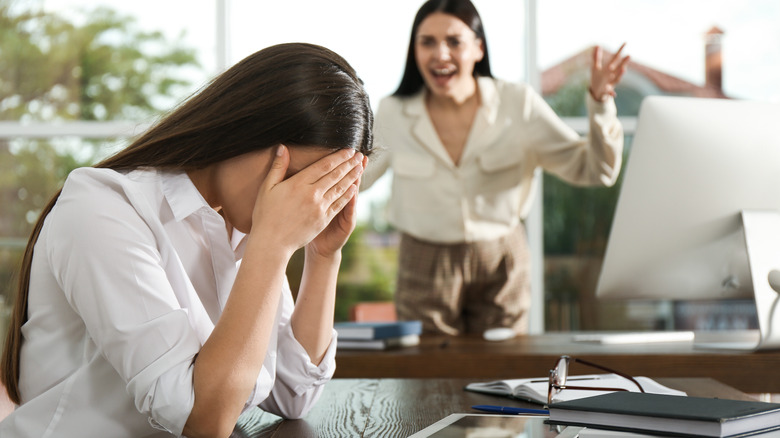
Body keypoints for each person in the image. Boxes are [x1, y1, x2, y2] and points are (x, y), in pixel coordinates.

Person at [0, 42, 372, 437]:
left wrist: (323, 254)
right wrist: (273, 245)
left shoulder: (244, 230)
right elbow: (203, 421)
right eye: (296, 180)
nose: (301, 202)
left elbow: (292, 394)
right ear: (244, 129)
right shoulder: (104, 208)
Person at [360, 0, 628, 336]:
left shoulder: (518, 103)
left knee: (503, 365)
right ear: (415, 50)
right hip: (423, 261)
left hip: (502, 261)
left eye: (454, 41)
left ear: (479, 48)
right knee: (428, 366)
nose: (440, 54)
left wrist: (601, 104)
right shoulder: (393, 112)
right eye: (427, 42)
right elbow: (357, 178)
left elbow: (595, 169)